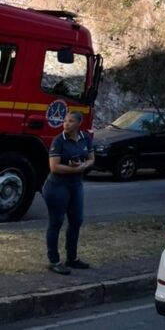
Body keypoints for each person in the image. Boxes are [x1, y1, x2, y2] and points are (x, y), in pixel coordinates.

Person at [43, 110, 94, 275]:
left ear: (79, 124)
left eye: (71, 121)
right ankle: (54, 260)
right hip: (57, 186)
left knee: (76, 221)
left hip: (75, 185)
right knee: (56, 222)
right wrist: (74, 168)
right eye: (65, 120)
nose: (66, 124)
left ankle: (72, 258)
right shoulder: (59, 140)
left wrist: (83, 166)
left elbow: (92, 158)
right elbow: (54, 167)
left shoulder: (86, 137)